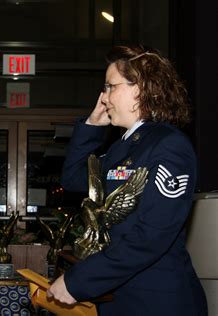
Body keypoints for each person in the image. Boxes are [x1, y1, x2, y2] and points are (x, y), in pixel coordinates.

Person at [47, 45, 207, 315]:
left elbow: (150, 237)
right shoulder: (124, 147)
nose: (103, 96)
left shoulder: (168, 146)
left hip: (156, 303)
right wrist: (92, 126)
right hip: (121, 298)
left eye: (110, 86)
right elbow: (74, 179)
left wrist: (79, 282)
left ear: (141, 88)